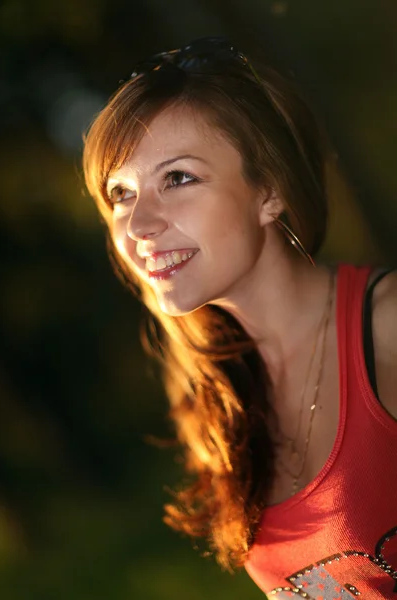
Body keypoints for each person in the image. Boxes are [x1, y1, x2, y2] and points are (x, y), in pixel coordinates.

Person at [82, 37, 397, 598]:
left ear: (269, 190)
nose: (137, 225)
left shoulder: (388, 327)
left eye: (177, 178)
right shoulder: (217, 398)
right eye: (121, 194)